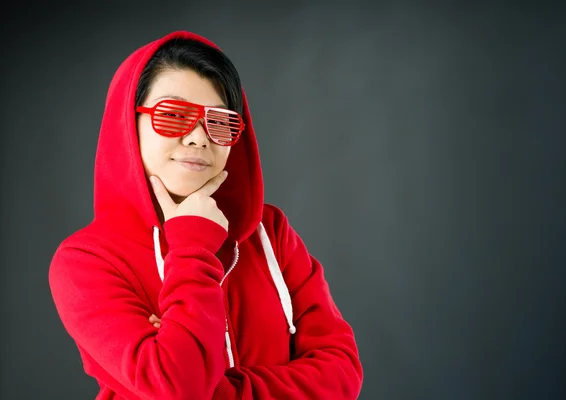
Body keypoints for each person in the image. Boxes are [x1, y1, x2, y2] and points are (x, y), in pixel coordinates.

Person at [48, 30, 363, 399]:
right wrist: (192, 244)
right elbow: (182, 387)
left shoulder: (270, 232)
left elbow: (343, 373)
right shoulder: (86, 262)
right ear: (128, 123)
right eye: (173, 116)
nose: (199, 137)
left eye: (220, 121)